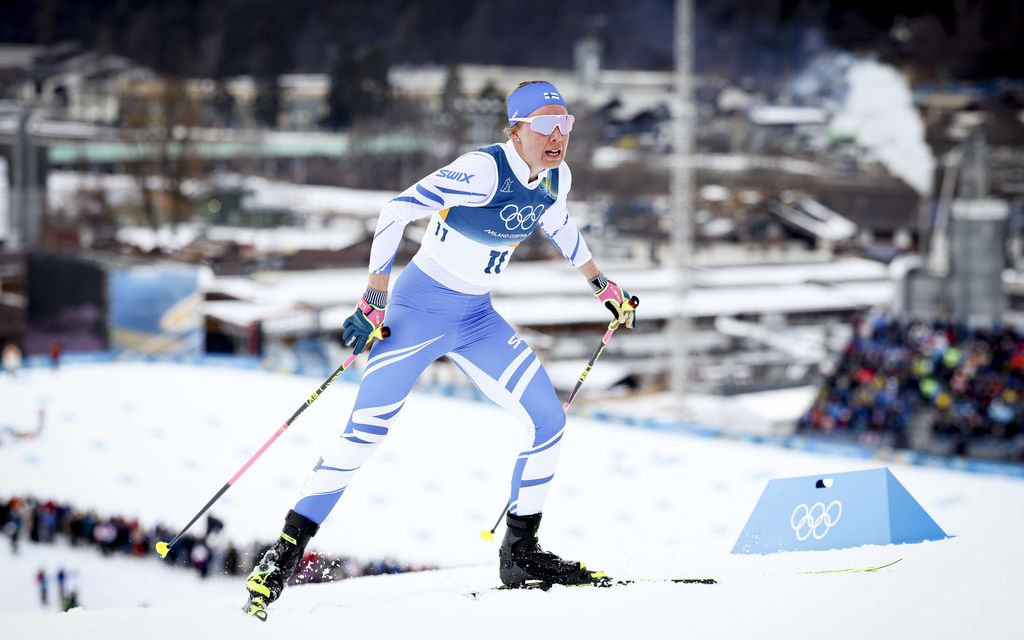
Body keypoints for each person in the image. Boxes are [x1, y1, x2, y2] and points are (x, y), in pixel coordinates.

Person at [244, 81, 637, 620]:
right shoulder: (481, 170)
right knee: (365, 433)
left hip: (476, 318)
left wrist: (602, 285)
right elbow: (395, 211)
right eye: (546, 125)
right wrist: (374, 296)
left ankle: (521, 553)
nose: (558, 136)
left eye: (565, 124)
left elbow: (559, 223)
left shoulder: (556, 177)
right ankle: (283, 557)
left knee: (549, 421)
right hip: (417, 313)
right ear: (516, 130)